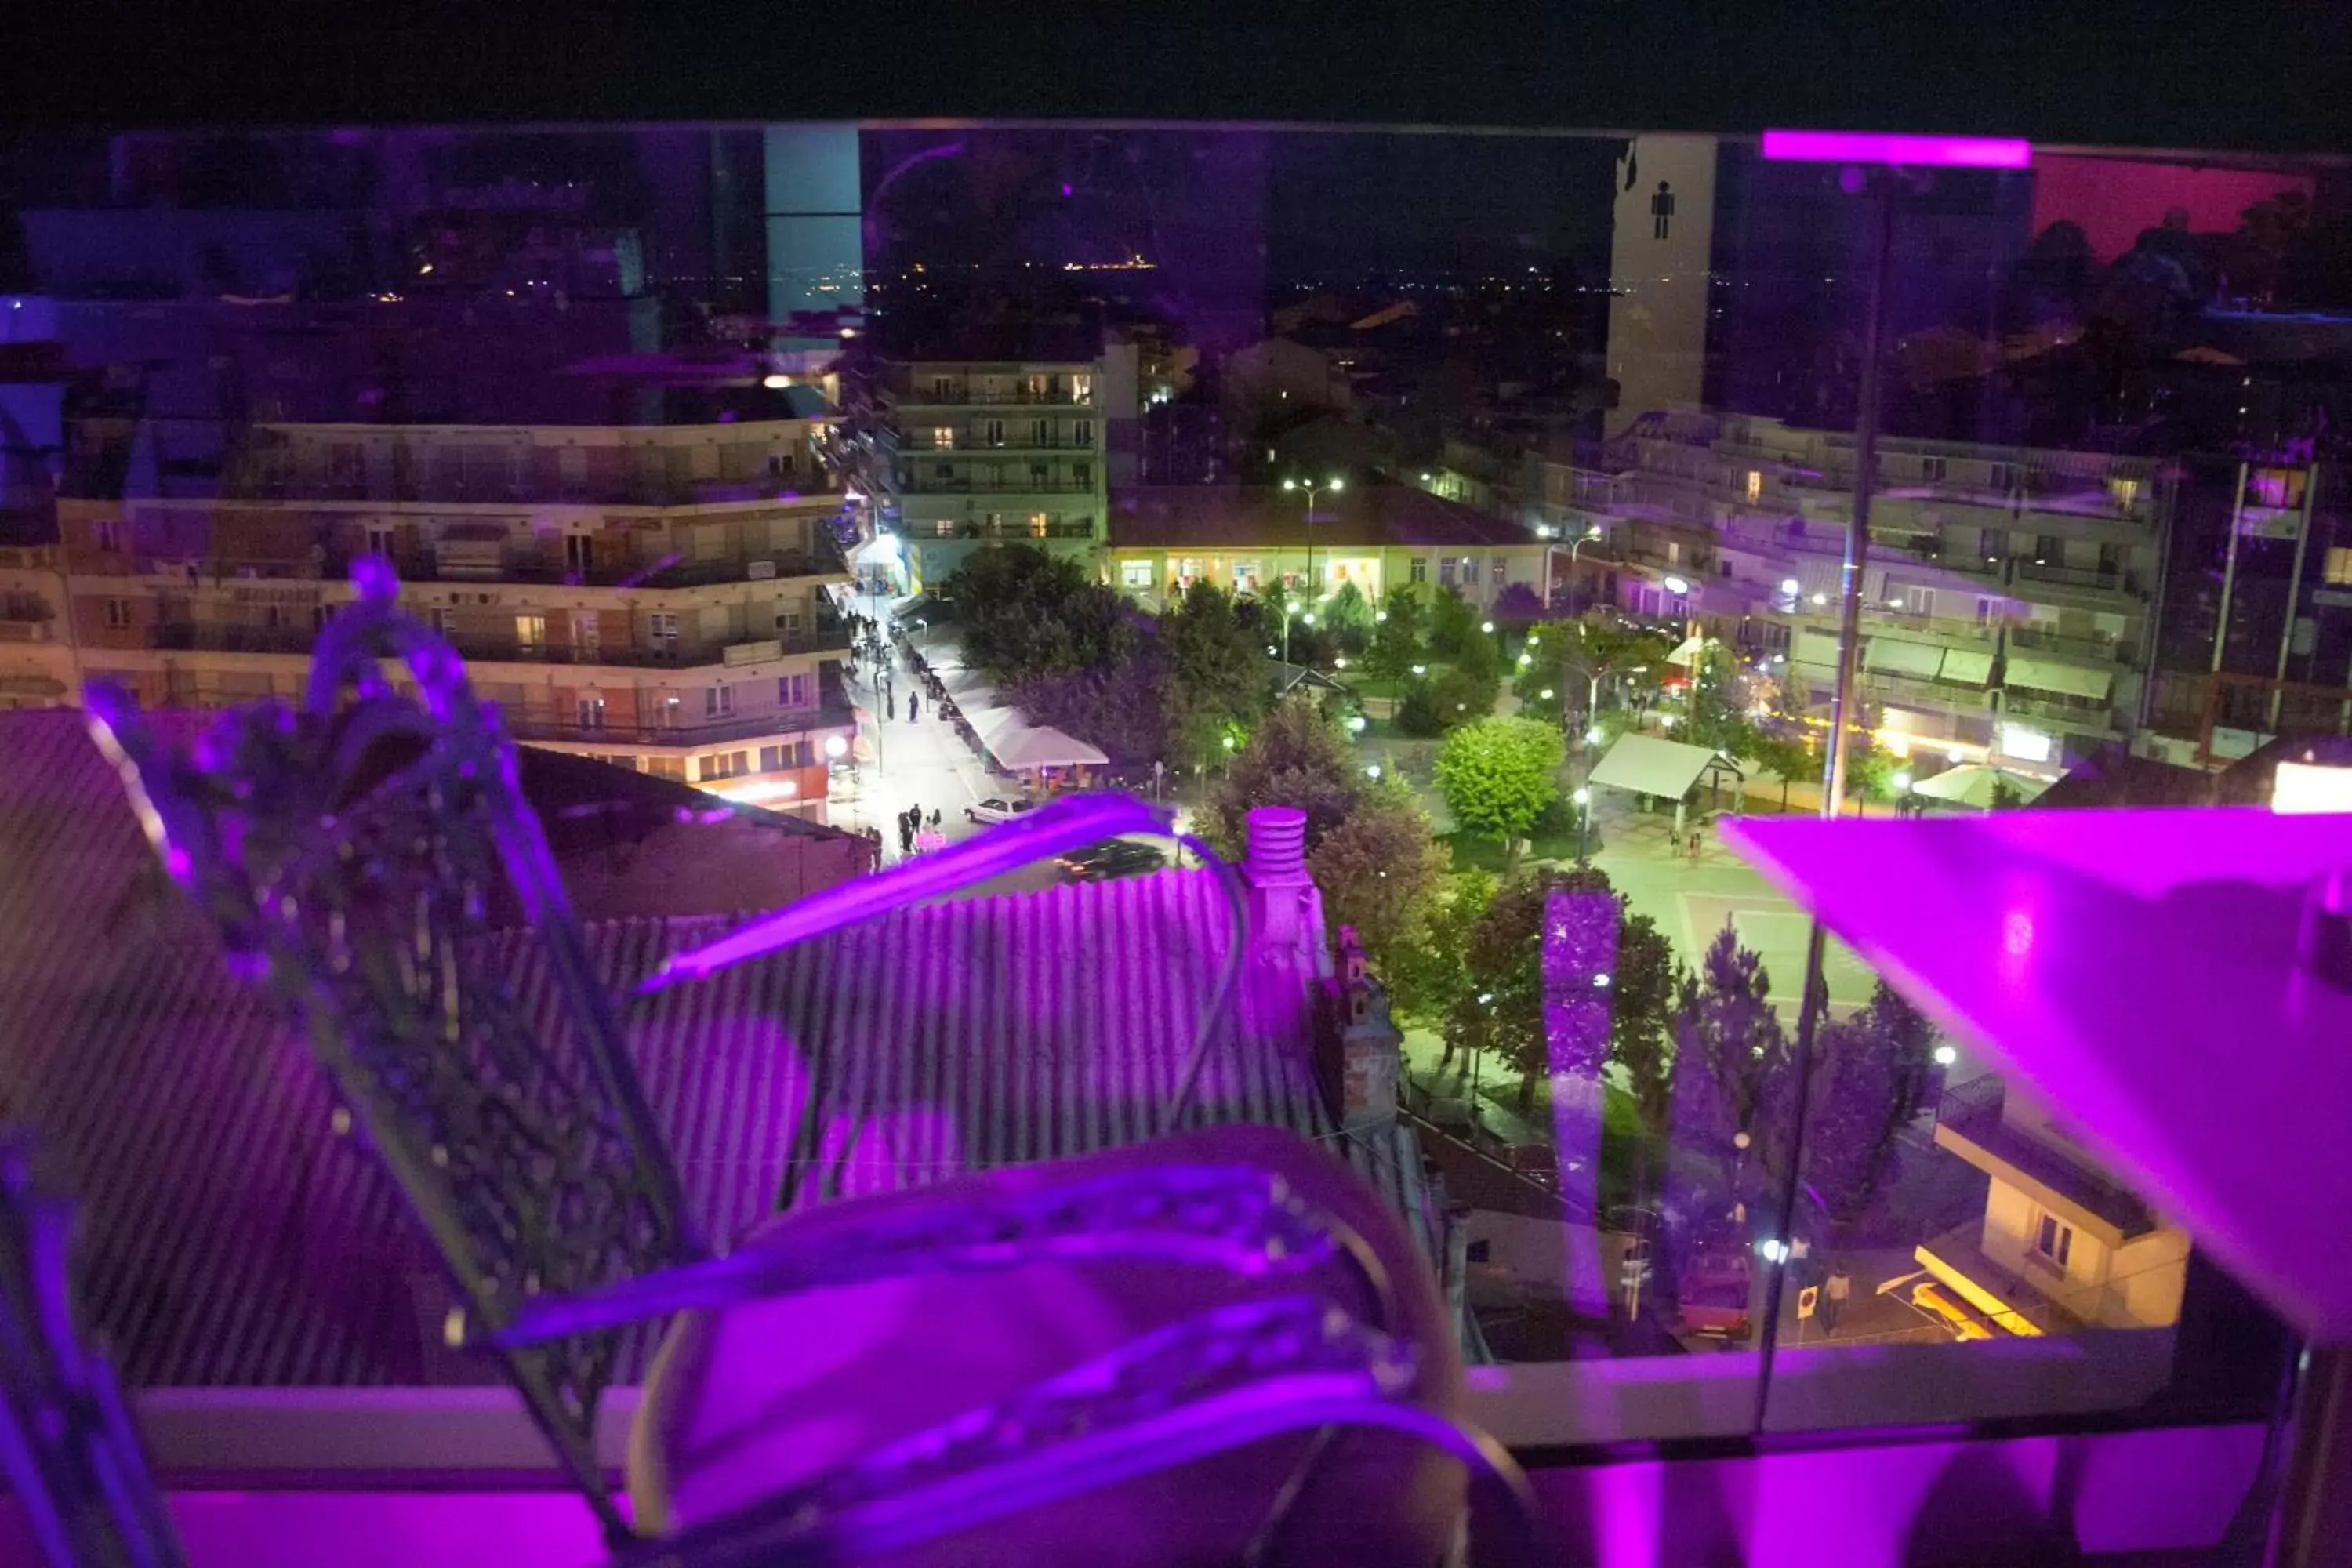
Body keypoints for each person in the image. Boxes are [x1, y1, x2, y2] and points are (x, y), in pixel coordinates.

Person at [1822, 1265, 1851, 1338]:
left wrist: (1824, 1294)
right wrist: (1847, 1302)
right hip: (1840, 1299)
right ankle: (1834, 1327)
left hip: (1832, 1298)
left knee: (1828, 1313)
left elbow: (1827, 1289)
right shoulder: (1846, 1279)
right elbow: (1847, 1292)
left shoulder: (1832, 1278)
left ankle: (1831, 1329)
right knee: (1835, 1313)